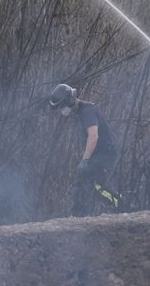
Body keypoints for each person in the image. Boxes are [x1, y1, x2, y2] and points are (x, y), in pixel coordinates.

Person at [49, 83, 121, 214]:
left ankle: (120, 204)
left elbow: (93, 136)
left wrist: (85, 159)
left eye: (61, 106)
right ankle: (80, 213)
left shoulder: (87, 111)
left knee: (95, 183)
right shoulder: (80, 112)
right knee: (90, 182)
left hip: (106, 153)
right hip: (99, 153)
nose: (61, 109)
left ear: (68, 100)